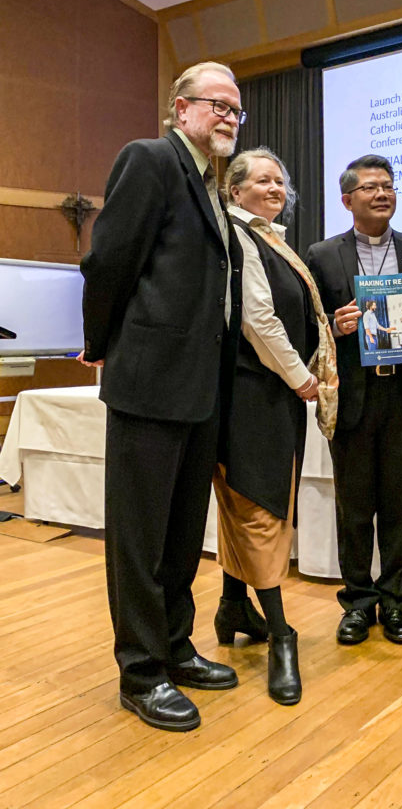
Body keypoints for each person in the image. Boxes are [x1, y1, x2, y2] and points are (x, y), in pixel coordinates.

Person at [79, 61, 245, 731]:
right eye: (217, 104)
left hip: (198, 387)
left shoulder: (210, 185)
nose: (229, 115)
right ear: (181, 109)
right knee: (140, 540)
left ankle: (175, 649)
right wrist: (99, 342)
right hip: (149, 380)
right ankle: (141, 674)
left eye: (236, 108)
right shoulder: (149, 159)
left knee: (180, 538)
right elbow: (109, 259)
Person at [212, 148, 337, 705]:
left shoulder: (271, 238)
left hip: (268, 392)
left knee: (250, 501)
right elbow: (256, 318)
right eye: (262, 179)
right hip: (252, 392)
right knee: (260, 506)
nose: (276, 187)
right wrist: (300, 378)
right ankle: (281, 633)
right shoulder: (240, 236)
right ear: (236, 190)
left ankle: (232, 605)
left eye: (281, 180)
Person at [306, 155, 402, 645]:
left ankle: (397, 603)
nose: (382, 194)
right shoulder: (322, 255)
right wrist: (334, 328)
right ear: (347, 200)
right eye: (370, 188)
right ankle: (359, 603)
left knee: (401, 507)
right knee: (355, 507)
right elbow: (309, 326)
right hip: (354, 396)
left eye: (388, 186)